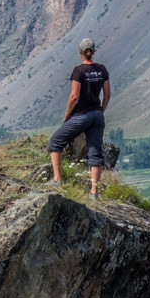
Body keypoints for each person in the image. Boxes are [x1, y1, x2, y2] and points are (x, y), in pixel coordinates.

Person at [46, 38, 110, 199]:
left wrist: (67, 114)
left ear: (80, 52)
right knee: (95, 153)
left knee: (55, 142)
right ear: (93, 51)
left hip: (82, 115)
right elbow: (107, 94)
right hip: (97, 115)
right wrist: (101, 110)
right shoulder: (102, 69)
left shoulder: (78, 70)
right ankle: (94, 193)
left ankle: (57, 180)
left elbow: (74, 96)